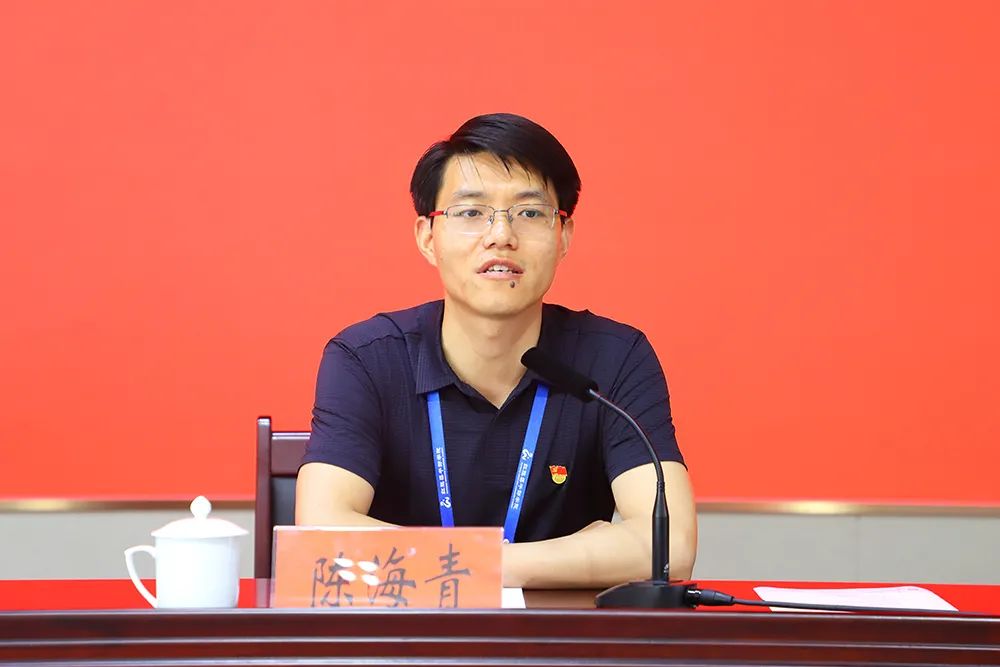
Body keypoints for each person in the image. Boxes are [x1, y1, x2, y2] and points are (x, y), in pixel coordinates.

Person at [296, 113, 697, 588]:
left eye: (530, 213)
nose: (501, 235)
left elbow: (670, 546)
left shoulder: (614, 359)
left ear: (564, 236)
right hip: (405, 633)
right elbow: (321, 534)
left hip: (559, 635)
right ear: (427, 237)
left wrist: (482, 566)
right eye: (471, 213)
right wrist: (509, 562)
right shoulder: (366, 358)